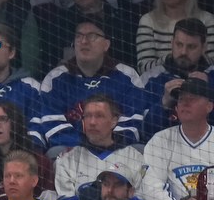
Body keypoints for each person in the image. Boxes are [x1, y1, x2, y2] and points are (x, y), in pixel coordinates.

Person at [37, 19, 149, 150]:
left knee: (139, 149)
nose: (84, 41)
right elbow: (52, 126)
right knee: (55, 151)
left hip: (117, 150)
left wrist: (108, 144)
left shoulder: (127, 76)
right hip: (73, 152)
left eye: (92, 36)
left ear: (106, 44)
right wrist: (87, 145)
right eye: (79, 36)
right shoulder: (55, 78)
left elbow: (134, 122)